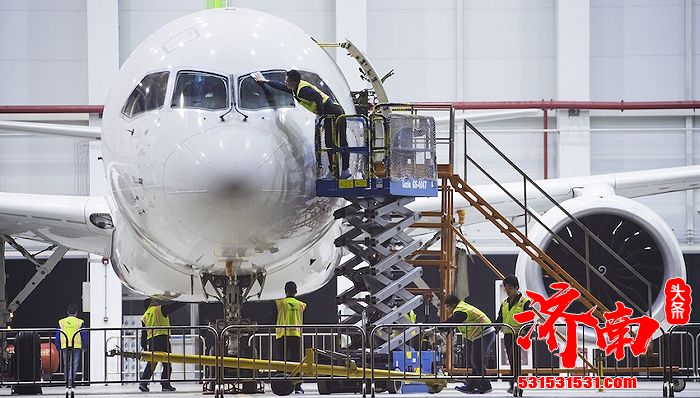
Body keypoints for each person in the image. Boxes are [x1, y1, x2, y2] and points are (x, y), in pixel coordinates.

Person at [252, 70, 350, 179]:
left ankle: (344, 169)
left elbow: (317, 97)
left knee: (338, 141)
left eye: (287, 80)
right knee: (330, 143)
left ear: (292, 82)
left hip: (334, 112)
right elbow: (282, 87)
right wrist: (265, 81)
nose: (285, 82)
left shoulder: (302, 91)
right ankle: (336, 171)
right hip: (331, 113)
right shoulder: (296, 88)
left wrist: (320, 113)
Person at [443, 295, 495, 394]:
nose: (446, 309)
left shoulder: (460, 311)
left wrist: (439, 328)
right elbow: (451, 321)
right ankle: (471, 386)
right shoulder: (461, 308)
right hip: (481, 333)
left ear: (453, 305)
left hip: (484, 333)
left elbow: (452, 322)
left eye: (447, 306)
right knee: (476, 361)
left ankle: (486, 385)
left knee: (476, 360)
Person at [138, 298, 186, 393]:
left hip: (151, 341)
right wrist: (184, 301)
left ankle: (143, 383)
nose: (156, 301)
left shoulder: (145, 316)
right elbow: (173, 307)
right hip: (162, 338)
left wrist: (143, 345)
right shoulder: (159, 309)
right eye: (154, 300)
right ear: (150, 303)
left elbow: (144, 333)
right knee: (167, 362)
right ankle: (165, 384)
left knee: (152, 363)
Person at [495, 275, 531, 394]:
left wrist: (526, 334)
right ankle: (514, 383)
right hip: (508, 335)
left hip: (518, 335)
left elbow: (529, 320)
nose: (508, 290)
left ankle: (517, 383)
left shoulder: (525, 302)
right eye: (506, 288)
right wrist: (494, 329)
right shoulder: (504, 303)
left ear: (517, 287)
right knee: (512, 360)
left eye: (510, 287)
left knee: (515, 359)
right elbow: (500, 319)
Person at [275, 281, 307, 394]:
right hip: (296, 335)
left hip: (282, 335)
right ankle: (297, 386)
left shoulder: (280, 303)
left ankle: (280, 384)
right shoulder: (301, 305)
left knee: (281, 361)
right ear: (296, 291)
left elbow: (272, 317)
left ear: (285, 291)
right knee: (296, 361)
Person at [55, 303, 88, 390]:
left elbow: (57, 335)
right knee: (74, 364)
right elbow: (84, 335)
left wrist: (58, 346)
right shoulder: (80, 322)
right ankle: (71, 381)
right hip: (76, 345)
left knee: (66, 364)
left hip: (64, 345)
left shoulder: (61, 322)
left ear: (67, 312)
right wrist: (85, 345)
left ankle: (66, 381)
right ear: (76, 312)